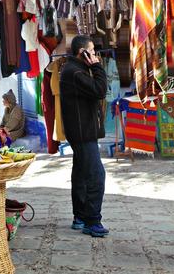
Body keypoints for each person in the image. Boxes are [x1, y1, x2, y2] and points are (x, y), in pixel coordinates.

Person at [59, 35, 109, 237]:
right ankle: (92, 221)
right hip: (82, 133)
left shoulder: (73, 70)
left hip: (81, 131)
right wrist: (97, 67)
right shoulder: (76, 72)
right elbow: (100, 90)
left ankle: (79, 216)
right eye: (92, 52)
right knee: (96, 176)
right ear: (83, 53)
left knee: (80, 174)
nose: (95, 56)